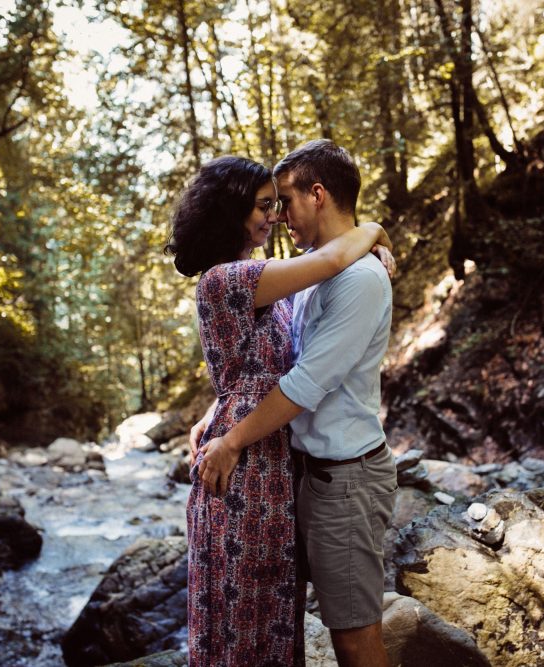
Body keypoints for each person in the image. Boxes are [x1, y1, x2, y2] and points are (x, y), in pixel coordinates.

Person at [165, 154, 394, 667]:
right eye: (265, 207)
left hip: (273, 458)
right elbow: (333, 261)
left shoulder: (277, 279)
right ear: (233, 213)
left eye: (279, 204)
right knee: (240, 607)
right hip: (246, 464)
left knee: (270, 608)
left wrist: (219, 411)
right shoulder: (229, 279)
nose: (275, 217)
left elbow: (259, 364)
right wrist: (374, 229)